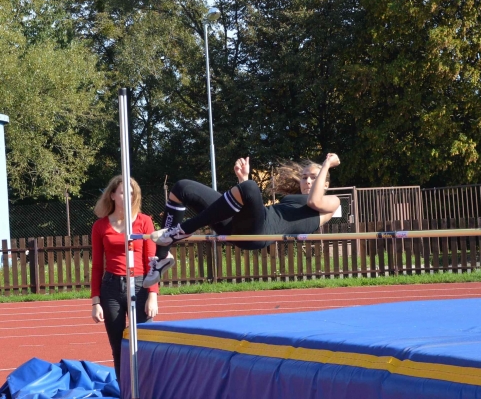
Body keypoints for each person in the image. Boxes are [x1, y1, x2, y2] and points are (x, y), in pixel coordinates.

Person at [143, 153, 341, 287]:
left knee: (251, 188)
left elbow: (315, 199)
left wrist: (326, 165)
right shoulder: (293, 199)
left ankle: (181, 230)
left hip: (260, 233)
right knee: (182, 187)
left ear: (325, 182)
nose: (307, 181)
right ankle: (161, 259)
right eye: (304, 177)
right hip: (238, 228)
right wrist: (242, 180)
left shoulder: (331, 201)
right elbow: (247, 208)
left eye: (313, 178)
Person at [90, 175, 159, 384]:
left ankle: (146, 390)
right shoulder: (100, 226)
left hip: (140, 286)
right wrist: (95, 302)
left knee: (144, 345)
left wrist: (153, 295)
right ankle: (125, 392)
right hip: (111, 288)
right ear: (112, 195)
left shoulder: (144, 221)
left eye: (131, 192)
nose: (127, 196)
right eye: (122, 192)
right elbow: (97, 267)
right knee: (119, 348)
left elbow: (152, 262)